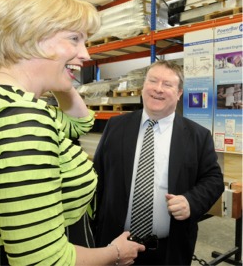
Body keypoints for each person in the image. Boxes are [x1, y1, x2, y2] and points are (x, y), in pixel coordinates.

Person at [0, 0, 145, 265]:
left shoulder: (2, 99)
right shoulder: (20, 117)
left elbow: (80, 123)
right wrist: (116, 252)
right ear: (28, 37)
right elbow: (43, 261)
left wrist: (59, 77)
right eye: (74, 39)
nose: (86, 54)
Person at [93, 60, 224, 265]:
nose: (158, 89)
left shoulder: (198, 136)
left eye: (167, 84)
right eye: (153, 81)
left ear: (179, 93)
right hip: (115, 246)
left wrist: (191, 201)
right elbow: (97, 176)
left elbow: (214, 179)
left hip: (169, 250)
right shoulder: (116, 127)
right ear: (143, 86)